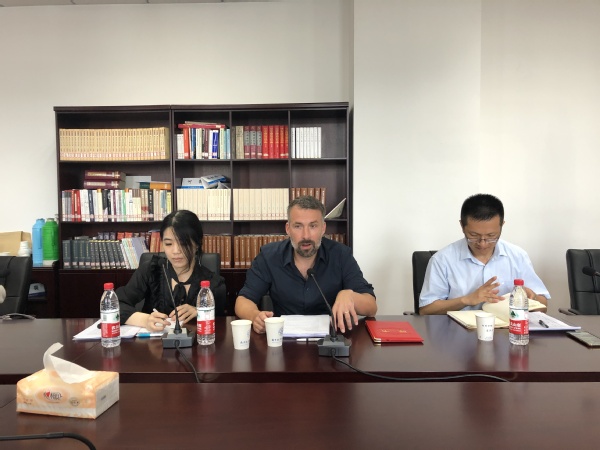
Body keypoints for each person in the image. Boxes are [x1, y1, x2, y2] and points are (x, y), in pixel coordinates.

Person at [234, 195, 376, 334]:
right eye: (298, 226)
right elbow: (243, 300)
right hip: (284, 340)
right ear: (288, 229)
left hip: (331, 338)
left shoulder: (341, 255)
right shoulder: (269, 256)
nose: (306, 236)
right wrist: (254, 315)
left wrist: (350, 296)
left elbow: (371, 306)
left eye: (313, 226)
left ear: (323, 228)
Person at [419, 193, 550, 315]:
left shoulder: (517, 256)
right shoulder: (442, 260)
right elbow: (426, 310)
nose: (482, 244)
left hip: (507, 329)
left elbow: (543, 305)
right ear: (462, 226)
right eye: (473, 235)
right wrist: (466, 300)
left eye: (491, 236)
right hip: (457, 330)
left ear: (502, 225)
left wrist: (533, 298)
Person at [116, 209, 225, 331]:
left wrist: (201, 312)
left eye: (183, 243)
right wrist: (145, 320)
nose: (176, 251)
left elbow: (222, 322)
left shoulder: (213, 283)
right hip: (152, 342)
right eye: (168, 244)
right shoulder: (151, 270)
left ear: (197, 244)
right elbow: (116, 305)